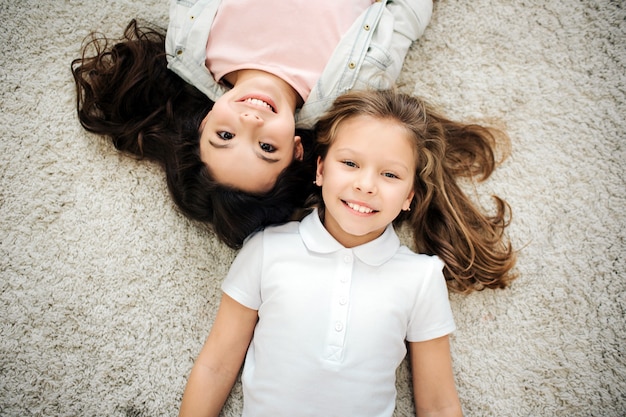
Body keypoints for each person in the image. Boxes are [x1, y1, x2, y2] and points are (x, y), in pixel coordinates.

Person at [177, 89, 517, 417]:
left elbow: (438, 405)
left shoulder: (421, 278)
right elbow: (216, 366)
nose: (366, 185)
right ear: (321, 170)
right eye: (350, 163)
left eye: (389, 174)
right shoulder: (267, 249)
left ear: (408, 197)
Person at [71, 0, 433, 248]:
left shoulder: (189, 48)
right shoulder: (357, 87)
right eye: (266, 148)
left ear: (204, 123)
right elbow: (406, 18)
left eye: (225, 135)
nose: (251, 121)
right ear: (297, 149)